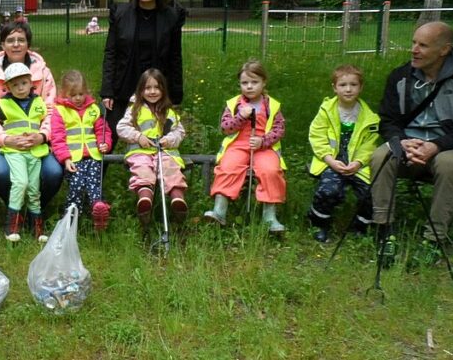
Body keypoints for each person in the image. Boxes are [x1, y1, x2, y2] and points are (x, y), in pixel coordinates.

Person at [370, 21, 453, 265]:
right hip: (409, 141)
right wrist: (401, 141)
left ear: (444, 50)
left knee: (448, 165)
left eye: (423, 45)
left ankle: (433, 240)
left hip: (450, 146)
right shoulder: (399, 76)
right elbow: (387, 120)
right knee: (381, 156)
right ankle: (384, 231)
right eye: (414, 43)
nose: (414, 50)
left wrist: (437, 145)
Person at [0, 21, 63, 210]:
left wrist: (42, 136)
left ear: (28, 44)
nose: (16, 44)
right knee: (0, 172)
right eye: (10, 40)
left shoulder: (43, 73)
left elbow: (51, 110)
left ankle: (36, 210)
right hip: (5, 144)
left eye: (21, 40)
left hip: (39, 142)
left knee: (53, 172)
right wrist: (5, 139)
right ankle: (15, 209)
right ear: (3, 45)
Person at [101, 0, 187, 135]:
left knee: (157, 136)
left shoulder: (171, 16)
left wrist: (175, 94)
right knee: (107, 138)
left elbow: (175, 57)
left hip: (156, 88)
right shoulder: (120, 14)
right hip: (123, 84)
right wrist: (107, 91)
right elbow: (111, 53)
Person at [203, 60, 288, 233]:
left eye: (254, 82)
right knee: (228, 166)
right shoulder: (234, 104)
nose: (249, 87)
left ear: (264, 82)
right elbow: (226, 128)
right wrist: (240, 117)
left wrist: (263, 141)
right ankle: (220, 210)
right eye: (244, 83)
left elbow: (279, 129)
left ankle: (269, 217)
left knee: (270, 170)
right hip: (238, 145)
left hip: (264, 147)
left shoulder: (272, 105)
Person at [306, 65, 380, 243]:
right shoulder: (326, 111)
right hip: (331, 161)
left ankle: (361, 227)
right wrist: (330, 160)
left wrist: (358, 163)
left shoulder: (369, 117)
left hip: (356, 164)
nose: (348, 89)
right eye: (343, 85)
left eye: (353, 85)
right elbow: (317, 136)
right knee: (329, 190)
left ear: (360, 87)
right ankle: (319, 223)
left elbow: (369, 145)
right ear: (334, 87)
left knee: (370, 192)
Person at [117, 69, 188, 233]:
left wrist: (169, 140)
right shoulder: (134, 110)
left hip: (164, 151)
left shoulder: (169, 112)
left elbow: (180, 132)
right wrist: (137, 136)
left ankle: (177, 200)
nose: (152, 91)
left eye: (157, 87)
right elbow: (121, 128)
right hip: (141, 152)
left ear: (163, 90)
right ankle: (145, 200)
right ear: (141, 90)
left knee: (171, 169)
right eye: (148, 88)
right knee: (142, 170)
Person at [48, 70, 113, 231]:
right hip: (73, 158)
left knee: (94, 184)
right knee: (77, 184)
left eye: (81, 94)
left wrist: (104, 143)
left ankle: (99, 210)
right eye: (73, 94)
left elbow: (102, 130)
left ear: (87, 92)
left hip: (93, 155)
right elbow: (57, 137)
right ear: (64, 93)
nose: (78, 98)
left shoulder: (93, 109)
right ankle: (70, 218)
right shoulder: (60, 111)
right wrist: (65, 159)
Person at [0, 63, 51, 243]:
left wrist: (41, 136)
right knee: (21, 183)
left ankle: (38, 228)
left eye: (23, 83)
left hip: (35, 151)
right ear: (8, 87)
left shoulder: (38, 102)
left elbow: (45, 122)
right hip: (15, 151)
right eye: (15, 85)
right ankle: (11, 226)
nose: (20, 88)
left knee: (34, 189)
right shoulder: (3, 104)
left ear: (31, 83)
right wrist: (7, 139)